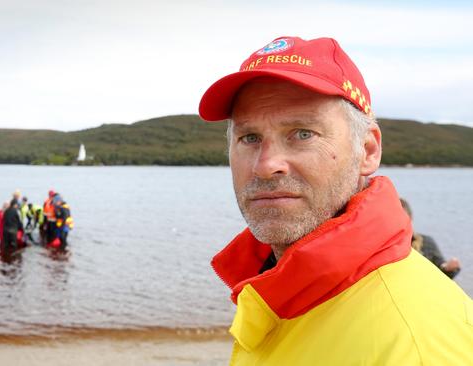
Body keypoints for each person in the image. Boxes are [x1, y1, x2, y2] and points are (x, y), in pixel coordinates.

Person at [198, 36, 472, 364]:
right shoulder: (278, 290)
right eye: (250, 137)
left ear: (367, 151)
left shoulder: (414, 341)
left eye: (303, 134)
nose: (267, 165)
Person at [400, 198, 461, 278]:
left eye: (401, 218)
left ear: (410, 219)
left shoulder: (426, 242)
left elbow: (441, 268)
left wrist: (448, 267)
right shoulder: (384, 246)